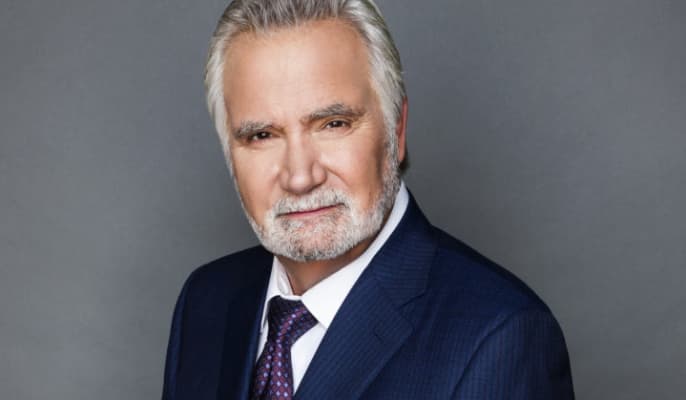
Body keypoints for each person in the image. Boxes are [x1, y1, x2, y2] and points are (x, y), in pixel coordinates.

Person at [162, 1, 575, 399]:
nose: (301, 177)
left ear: (396, 130)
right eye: (262, 135)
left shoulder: (501, 338)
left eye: (333, 124)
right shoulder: (206, 300)